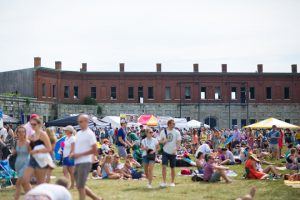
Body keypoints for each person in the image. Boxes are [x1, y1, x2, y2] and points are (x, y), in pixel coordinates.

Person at [72, 114, 102, 200]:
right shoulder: (78, 133)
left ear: (86, 122)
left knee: (80, 186)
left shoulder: (90, 134)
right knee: (79, 185)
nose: (79, 123)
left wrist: (79, 154)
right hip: (78, 161)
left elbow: (95, 150)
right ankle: (96, 198)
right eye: (79, 122)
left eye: (81, 121)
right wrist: (73, 153)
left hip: (85, 161)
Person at [23, 117, 54, 190]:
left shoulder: (43, 134)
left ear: (39, 125)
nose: (33, 126)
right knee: (25, 180)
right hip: (33, 159)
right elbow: (30, 150)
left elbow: (49, 148)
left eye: (34, 124)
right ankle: (33, 195)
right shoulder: (31, 136)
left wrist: (37, 151)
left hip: (42, 159)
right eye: (31, 125)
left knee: (40, 183)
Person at [159, 119, 182, 187]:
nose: (174, 125)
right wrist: (163, 141)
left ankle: (172, 182)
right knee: (164, 167)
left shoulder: (177, 132)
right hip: (165, 151)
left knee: (172, 167)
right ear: (168, 124)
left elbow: (179, 142)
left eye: (174, 124)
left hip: (173, 152)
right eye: (173, 123)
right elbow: (159, 141)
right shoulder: (163, 131)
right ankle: (164, 182)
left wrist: (176, 149)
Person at [13, 126, 30, 200]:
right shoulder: (16, 142)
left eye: (23, 131)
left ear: (25, 133)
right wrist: (13, 152)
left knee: (18, 183)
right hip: (18, 164)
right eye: (19, 132)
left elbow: (32, 154)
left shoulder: (28, 142)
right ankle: (33, 197)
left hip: (26, 164)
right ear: (16, 133)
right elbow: (15, 152)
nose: (21, 133)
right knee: (25, 184)